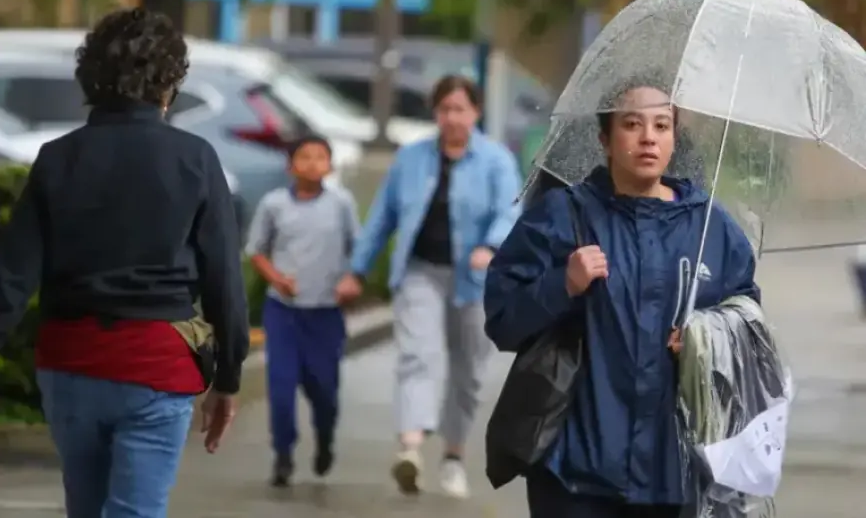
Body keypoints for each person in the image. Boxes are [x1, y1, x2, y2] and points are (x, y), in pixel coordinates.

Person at [0, 8, 249, 518]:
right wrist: (228, 378)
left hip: (69, 364)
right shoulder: (195, 159)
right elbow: (224, 280)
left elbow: (10, 279)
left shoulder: (57, 158)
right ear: (169, 84)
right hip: (157, 365)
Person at [484, 80, 760, 517]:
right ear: (605, 139)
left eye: (662, 125)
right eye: (632, 124)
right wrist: (563, 285)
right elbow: (501, 318)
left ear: (674, 137)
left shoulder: (712, 230)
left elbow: (749, 332)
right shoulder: (563, 216)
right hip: (575, 472)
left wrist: (706, 341)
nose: (648, 137)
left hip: (676, 475)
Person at [339, 74, 522, 498]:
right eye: (445, 110)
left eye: (461, 109)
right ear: (435, 112)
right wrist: (357, 270)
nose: (452, 118)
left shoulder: (496, 160)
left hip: (475, 279)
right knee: (418, 356)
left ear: (475, 112)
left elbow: (511, 210)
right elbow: (382, 217)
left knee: (468, 371)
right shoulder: (412, 158)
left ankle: (453, 457)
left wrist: (490, 245)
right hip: (420, 271)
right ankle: (411, 448)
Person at [245, 135, 361, 487]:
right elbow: (256, 250)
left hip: (325, 313)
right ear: (290, 165)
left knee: (323, 389)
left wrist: (352, 280)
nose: (312, 163)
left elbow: (359, 248)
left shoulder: (341, 203)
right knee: (280, 387)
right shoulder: (274, 204)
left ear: (330, 165)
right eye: (304, 157)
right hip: (284, 312)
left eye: (320, 157)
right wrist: (277, 280)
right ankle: (283, 454)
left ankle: (324, 439)